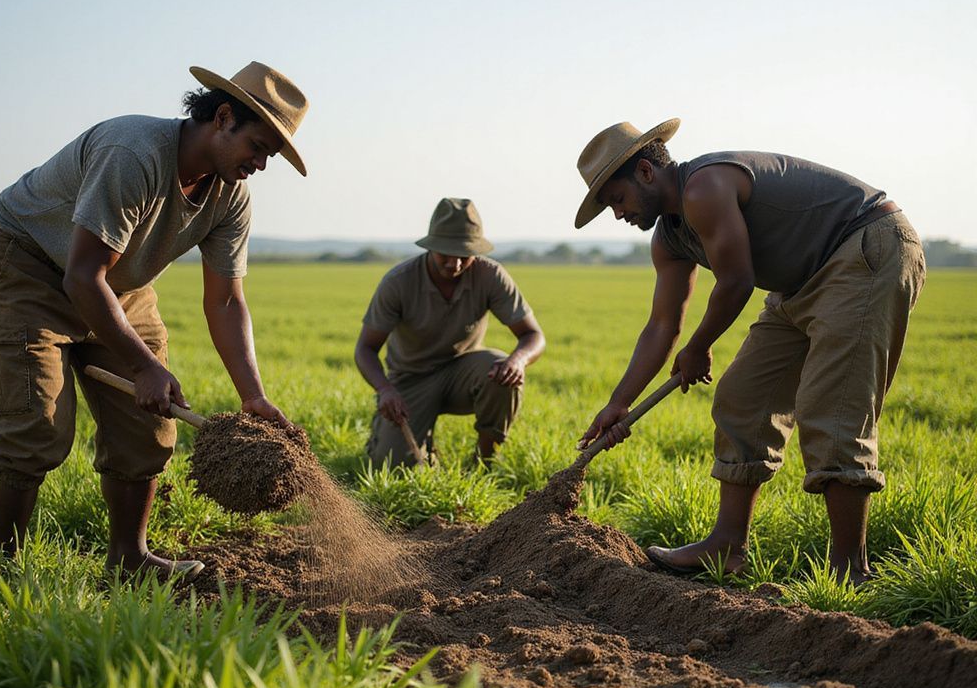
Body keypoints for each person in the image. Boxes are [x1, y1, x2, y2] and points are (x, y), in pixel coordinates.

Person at [0, 61, 309, 577]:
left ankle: (129, 560)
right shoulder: (133, 153)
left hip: (118, 284)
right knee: (35, 426)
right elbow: (82, 277)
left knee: (148, 429)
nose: (261, 165)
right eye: (259, 148)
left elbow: (225, 300)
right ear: (223, 117)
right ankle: (3, 572)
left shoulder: (230, 195)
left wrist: (253, 395)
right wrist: (142, 366)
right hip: (33, 267)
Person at [574, 119, 926, 586]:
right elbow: (662, 326)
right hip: (799, 282)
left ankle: (851, 571)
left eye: (616, 200)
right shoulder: (669, 240)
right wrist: (618, 403)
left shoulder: (705, 187)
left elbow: (736, 281)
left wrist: (699, 348)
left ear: (644, 173)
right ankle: (726, 548)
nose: (618, 215)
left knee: (834, 408)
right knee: (743, 397)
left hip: (864, 247)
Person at [355, 198, 545, 467]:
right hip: (410, 379)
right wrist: (385, 389)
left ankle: (483, 462)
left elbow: (533, 335)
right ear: (430, 246)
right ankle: (398, 440)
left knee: (501, 372)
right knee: (389, 466)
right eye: (445, 253)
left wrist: (519, 360)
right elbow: (365, 348)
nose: (455, 264)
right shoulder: (399, 282)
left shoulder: (490, 275)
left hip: (462, 372)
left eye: (464, 255)